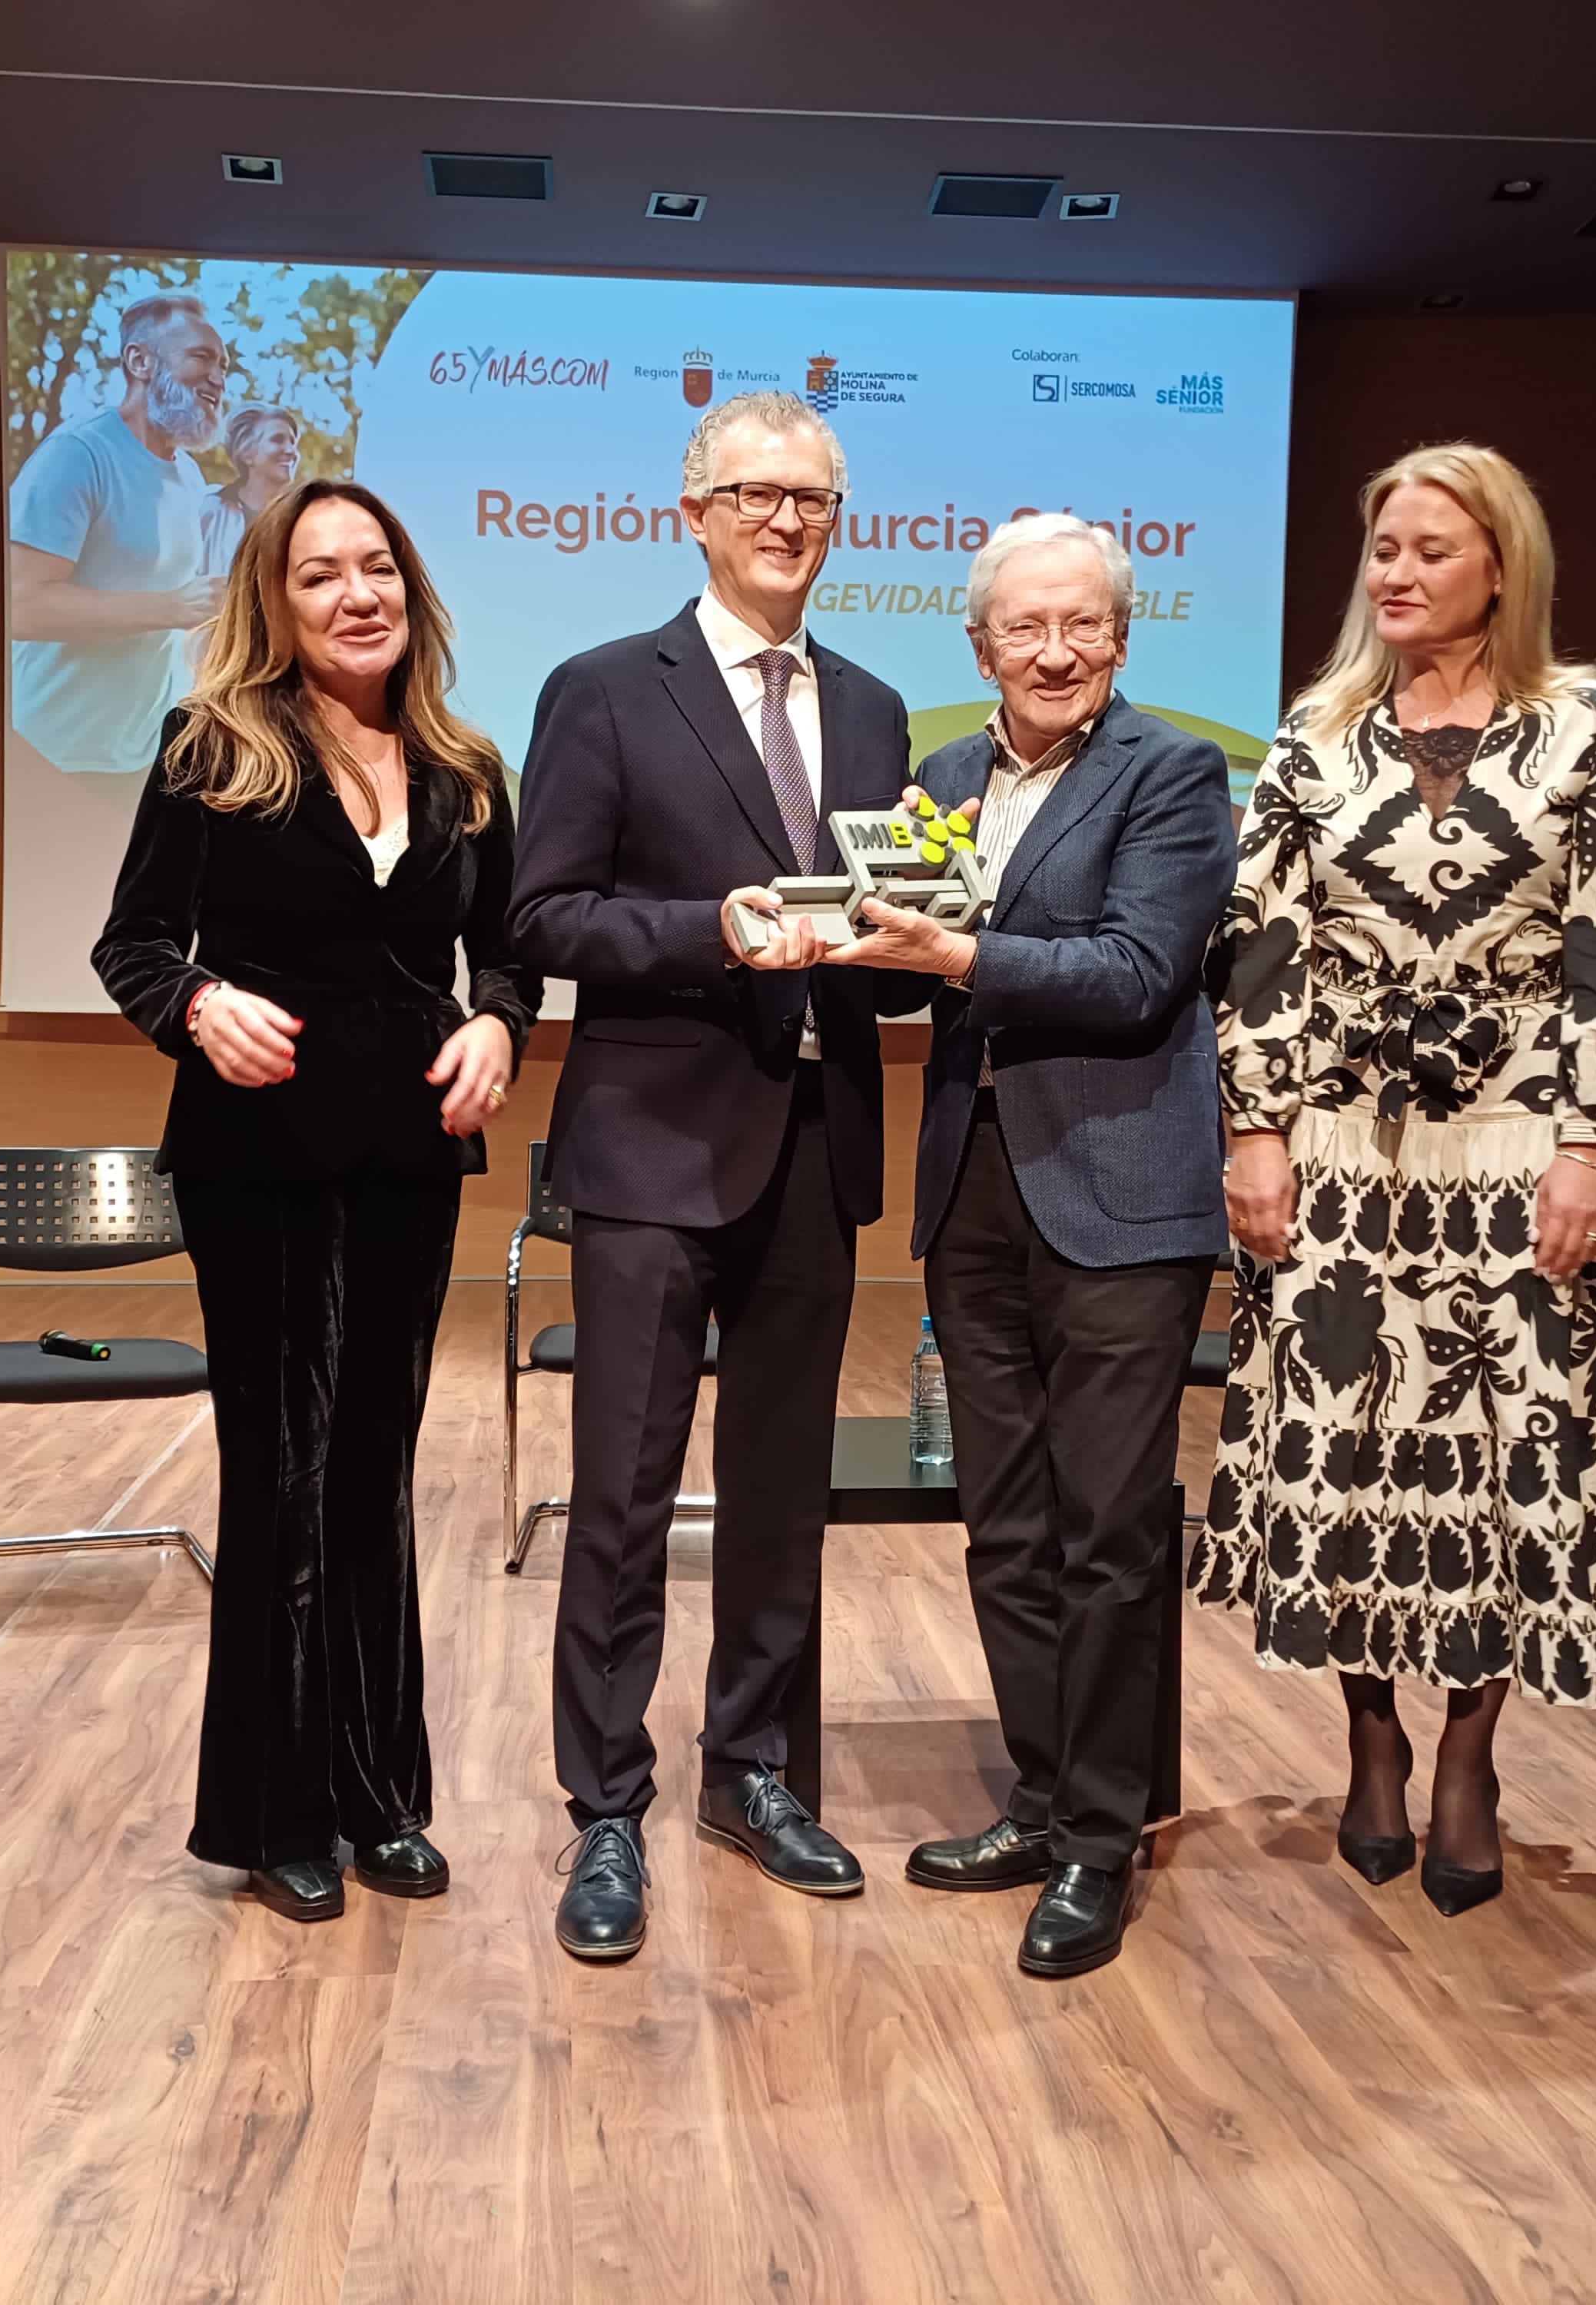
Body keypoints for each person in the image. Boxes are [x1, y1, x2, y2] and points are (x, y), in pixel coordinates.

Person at [1199, 442, 1596, 1921]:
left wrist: (1593, 1141)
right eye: (1384, 549)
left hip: (1517, 1150)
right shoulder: (1316, 733)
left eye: (1430, 549)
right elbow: (1262, 944)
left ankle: (1471, 1750)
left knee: (1505, 1452)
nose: (1396, 574)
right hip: (1343, 1154)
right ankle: (1371, 1736)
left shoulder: (1585, 726)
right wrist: (1255, 1128)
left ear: (1501, 567)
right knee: (1339, 1447)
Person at [91, 479, 536, 1922]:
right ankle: (277, 1811)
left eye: (377, 568)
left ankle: (378, 1796)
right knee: (281, 1477)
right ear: (274, 605)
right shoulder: (213, 748)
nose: (357, 594)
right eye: (321, 573)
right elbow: (133, 943)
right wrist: (196, 1005)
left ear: (411, 590)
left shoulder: (467, 767)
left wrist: (501, 1023)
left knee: (374, 1474)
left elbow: (508, 952)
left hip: (411, 1151)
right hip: (261, 1152)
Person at [509, 390, 911, 1962]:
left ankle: (752, 1771)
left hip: (817, 1146)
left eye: (812, 498)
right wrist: (708, 931)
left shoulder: (874, 710)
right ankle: (605, 1805)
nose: (786, 521)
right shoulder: (605, 689)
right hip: (651, 1151)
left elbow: (869, 927)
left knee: (782, 1493)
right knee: (620, 1497)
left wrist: (924, 942)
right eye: (755, 494)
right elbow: (545, 918)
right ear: (693, 512)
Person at [819, 514, 1232, 1978]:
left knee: (1108, 1529)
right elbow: (902, 987)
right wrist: (846, 929)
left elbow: (1136, 974)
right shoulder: (939, 779)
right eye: (1026, 628)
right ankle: (1044, 1801)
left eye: (1084, 625)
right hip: (975, 1185)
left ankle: (1103, 1844)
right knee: (1002, 1520)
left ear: (1121, 637)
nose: (1056, 653)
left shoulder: (1172, 773)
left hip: (1122, 1190)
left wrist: (955, 954)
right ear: (979, 643)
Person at [7, 293, 234, 778]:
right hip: (54, 754)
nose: (218, 377)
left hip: (146, 754)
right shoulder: (77, 454)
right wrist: (173, 607)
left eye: (224, 365)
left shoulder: (190, 476)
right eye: (201, 357)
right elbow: (19, 606)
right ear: (140, 361)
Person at [202, 404, 306, 574]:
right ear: (246, 454)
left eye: (293, 442)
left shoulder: (302, 519)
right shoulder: (210, 510)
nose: (291, 451)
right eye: (277, 440)